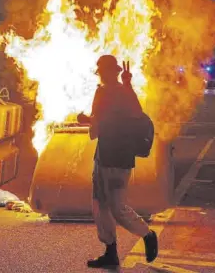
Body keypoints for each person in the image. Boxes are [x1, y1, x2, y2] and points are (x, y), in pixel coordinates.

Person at [77, 55, 158, 269]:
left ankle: (147, 234)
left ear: (105, 73)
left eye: (102, 71)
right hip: (117, 159)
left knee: (111, 207)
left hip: (110, 159)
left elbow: (96, 129)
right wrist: (128, 85)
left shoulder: (103, 92)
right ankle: (111, 252)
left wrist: (85, 120)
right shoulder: (124, 91)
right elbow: (136, 114)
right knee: (106, 205)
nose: (101, 75)